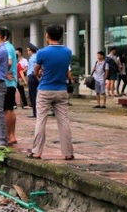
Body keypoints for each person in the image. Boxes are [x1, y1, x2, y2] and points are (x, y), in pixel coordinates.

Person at [28, 24, 74, 161]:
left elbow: (35, 71)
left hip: (45, 89)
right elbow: (66, 70)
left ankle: (37, 151)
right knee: (64, 121)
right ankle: (68, 153)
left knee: (41, 120)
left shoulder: (42, 52)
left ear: (47, 35)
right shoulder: (68, 52)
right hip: (61, 89)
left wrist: (40, 75)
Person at [1, 28, 18, 145]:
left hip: (6, 83)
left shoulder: (5, 47)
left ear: (4, 37)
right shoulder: (10, 47)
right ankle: (11, 135)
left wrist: (2, 72)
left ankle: (8, 135)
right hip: (11, 83)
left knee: (6, 110)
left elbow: (9, 62)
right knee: (10, 109)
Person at [26, 43, 39, 118]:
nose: (28, 52)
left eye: (28, 50)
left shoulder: (33, 58)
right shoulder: (35, 57)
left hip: (33, 77)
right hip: (33, 77)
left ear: (31, 51)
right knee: (34, 95)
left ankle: (35, 113)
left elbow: (34, 68)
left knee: (33, 95)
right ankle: (35, 112)